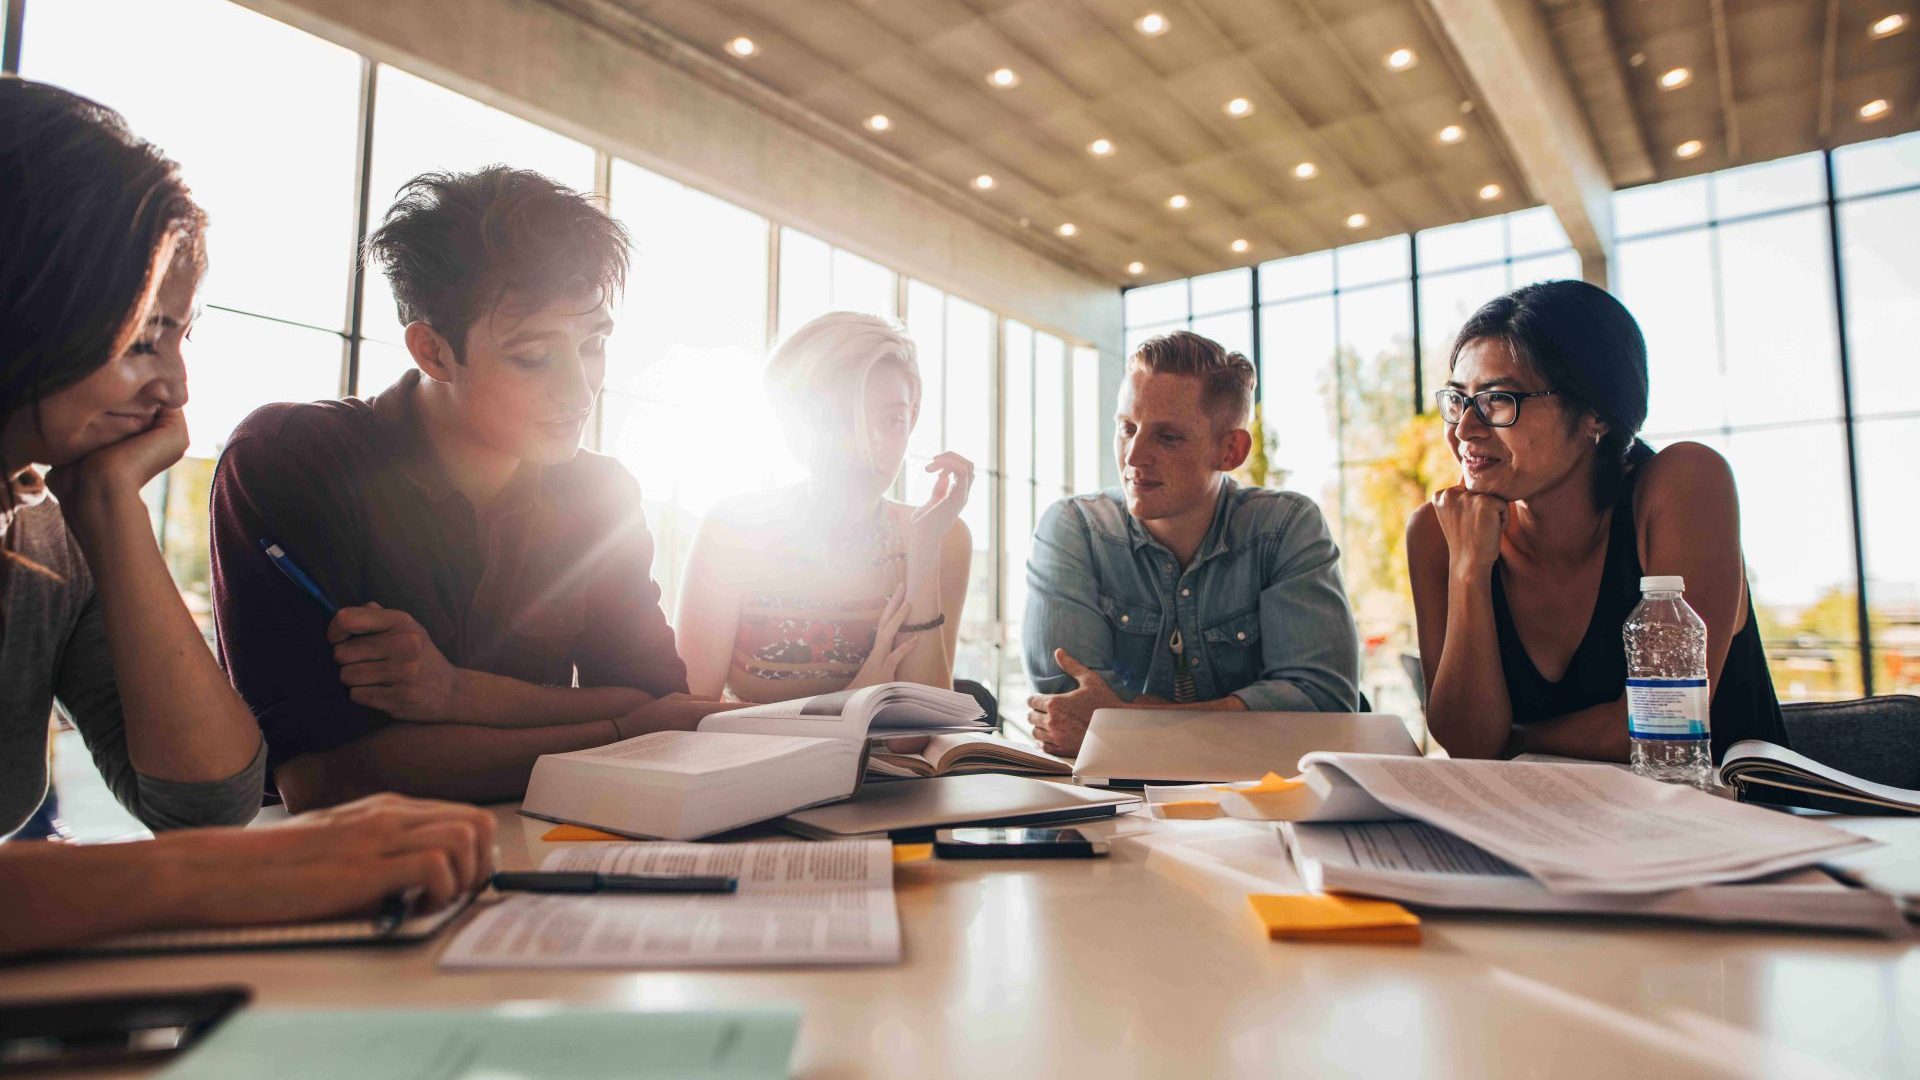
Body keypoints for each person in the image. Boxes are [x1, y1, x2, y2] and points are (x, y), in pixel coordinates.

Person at [0, 79, 491, 957]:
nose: (177, 392)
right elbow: (216, 851)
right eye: (143, 338)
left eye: (183, 339)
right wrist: (228, 878)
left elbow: (208, 804)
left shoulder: (45, 526)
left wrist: (111, 511)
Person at [210, 168, 710, 811]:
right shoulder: (294, 460)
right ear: (434, 353)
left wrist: (457, 694)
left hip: (543, 847)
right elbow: (329, 780)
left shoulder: (599, 493)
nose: (581, 390)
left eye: (592, 345)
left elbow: (658, 704)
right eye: (533, 357)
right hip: (352, 873)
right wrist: (613, 731)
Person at [1405, 280, 1789, 761]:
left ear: (1595, 415)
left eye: (1498, 399)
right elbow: (1465, 742)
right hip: (1541, 829)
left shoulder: (1683, 484)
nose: (1464, 429)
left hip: (1734, 821)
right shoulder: (1438, 532)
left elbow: (1663, 719)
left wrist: (1511, 739)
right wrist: (1468, 567)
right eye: (1459, 399)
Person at [1023, 330, 1360, 758]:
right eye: (1127, 428)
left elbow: (1322, 704)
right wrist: (1242, 720)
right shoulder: (1075, 529)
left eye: (1167, 437)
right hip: (1115, 806)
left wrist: (1126, 730)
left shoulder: (1285, 527)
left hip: (1266, 803)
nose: (1133, 457)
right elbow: (1067, 712)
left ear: (1231, 450)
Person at [674, 312, 973, 703]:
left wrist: (923, 552)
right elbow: (684, 718)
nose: (870, 445)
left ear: (913, 417)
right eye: (842, 418)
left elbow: (914, 735)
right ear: (795, 425)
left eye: (892, 419)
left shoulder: (941, 535)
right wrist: (846, 703)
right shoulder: (733, 530)